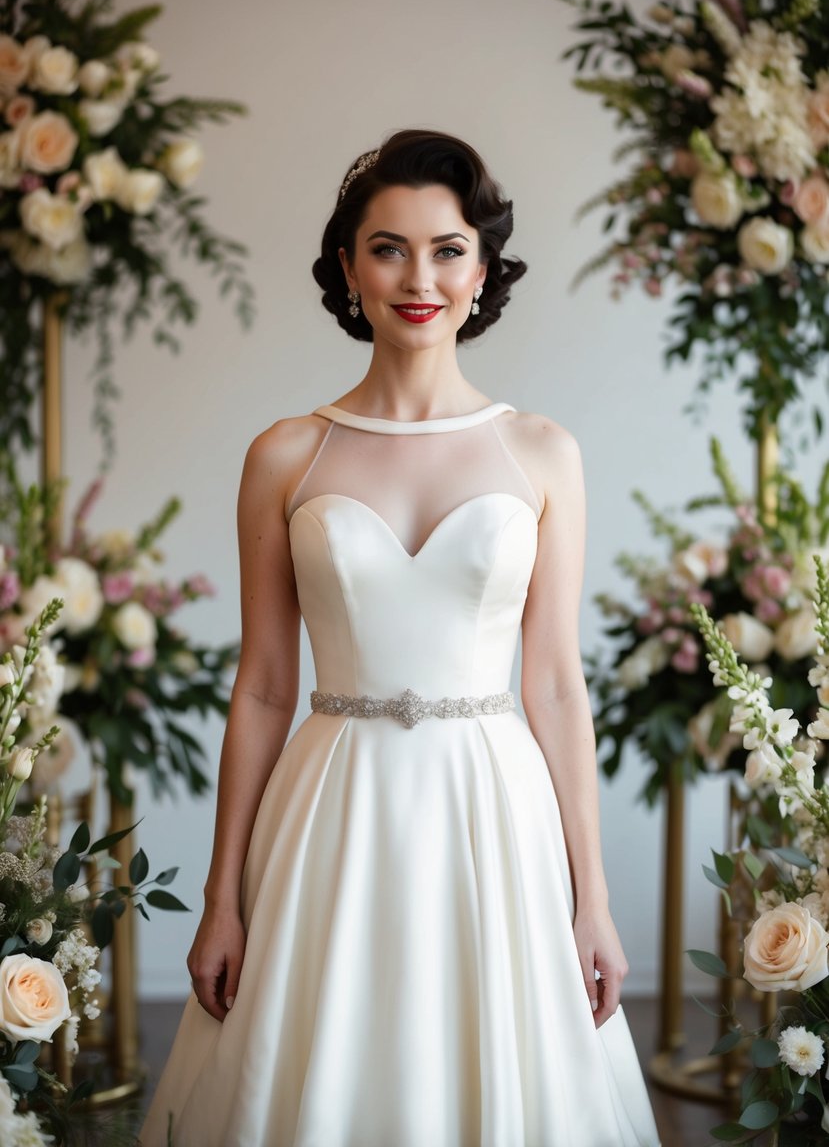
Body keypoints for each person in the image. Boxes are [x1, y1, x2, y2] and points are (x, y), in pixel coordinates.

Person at [139, 129, 660, 1146]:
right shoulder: (286, 454)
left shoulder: (543, 453)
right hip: (331, 811)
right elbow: (260, 689)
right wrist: (221, 897)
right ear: (346, 266)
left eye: (447, 248)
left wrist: (589, 900)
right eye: (387, 247)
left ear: (482, 268)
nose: (418, 277)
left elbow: (555, 686)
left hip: (493, 812)